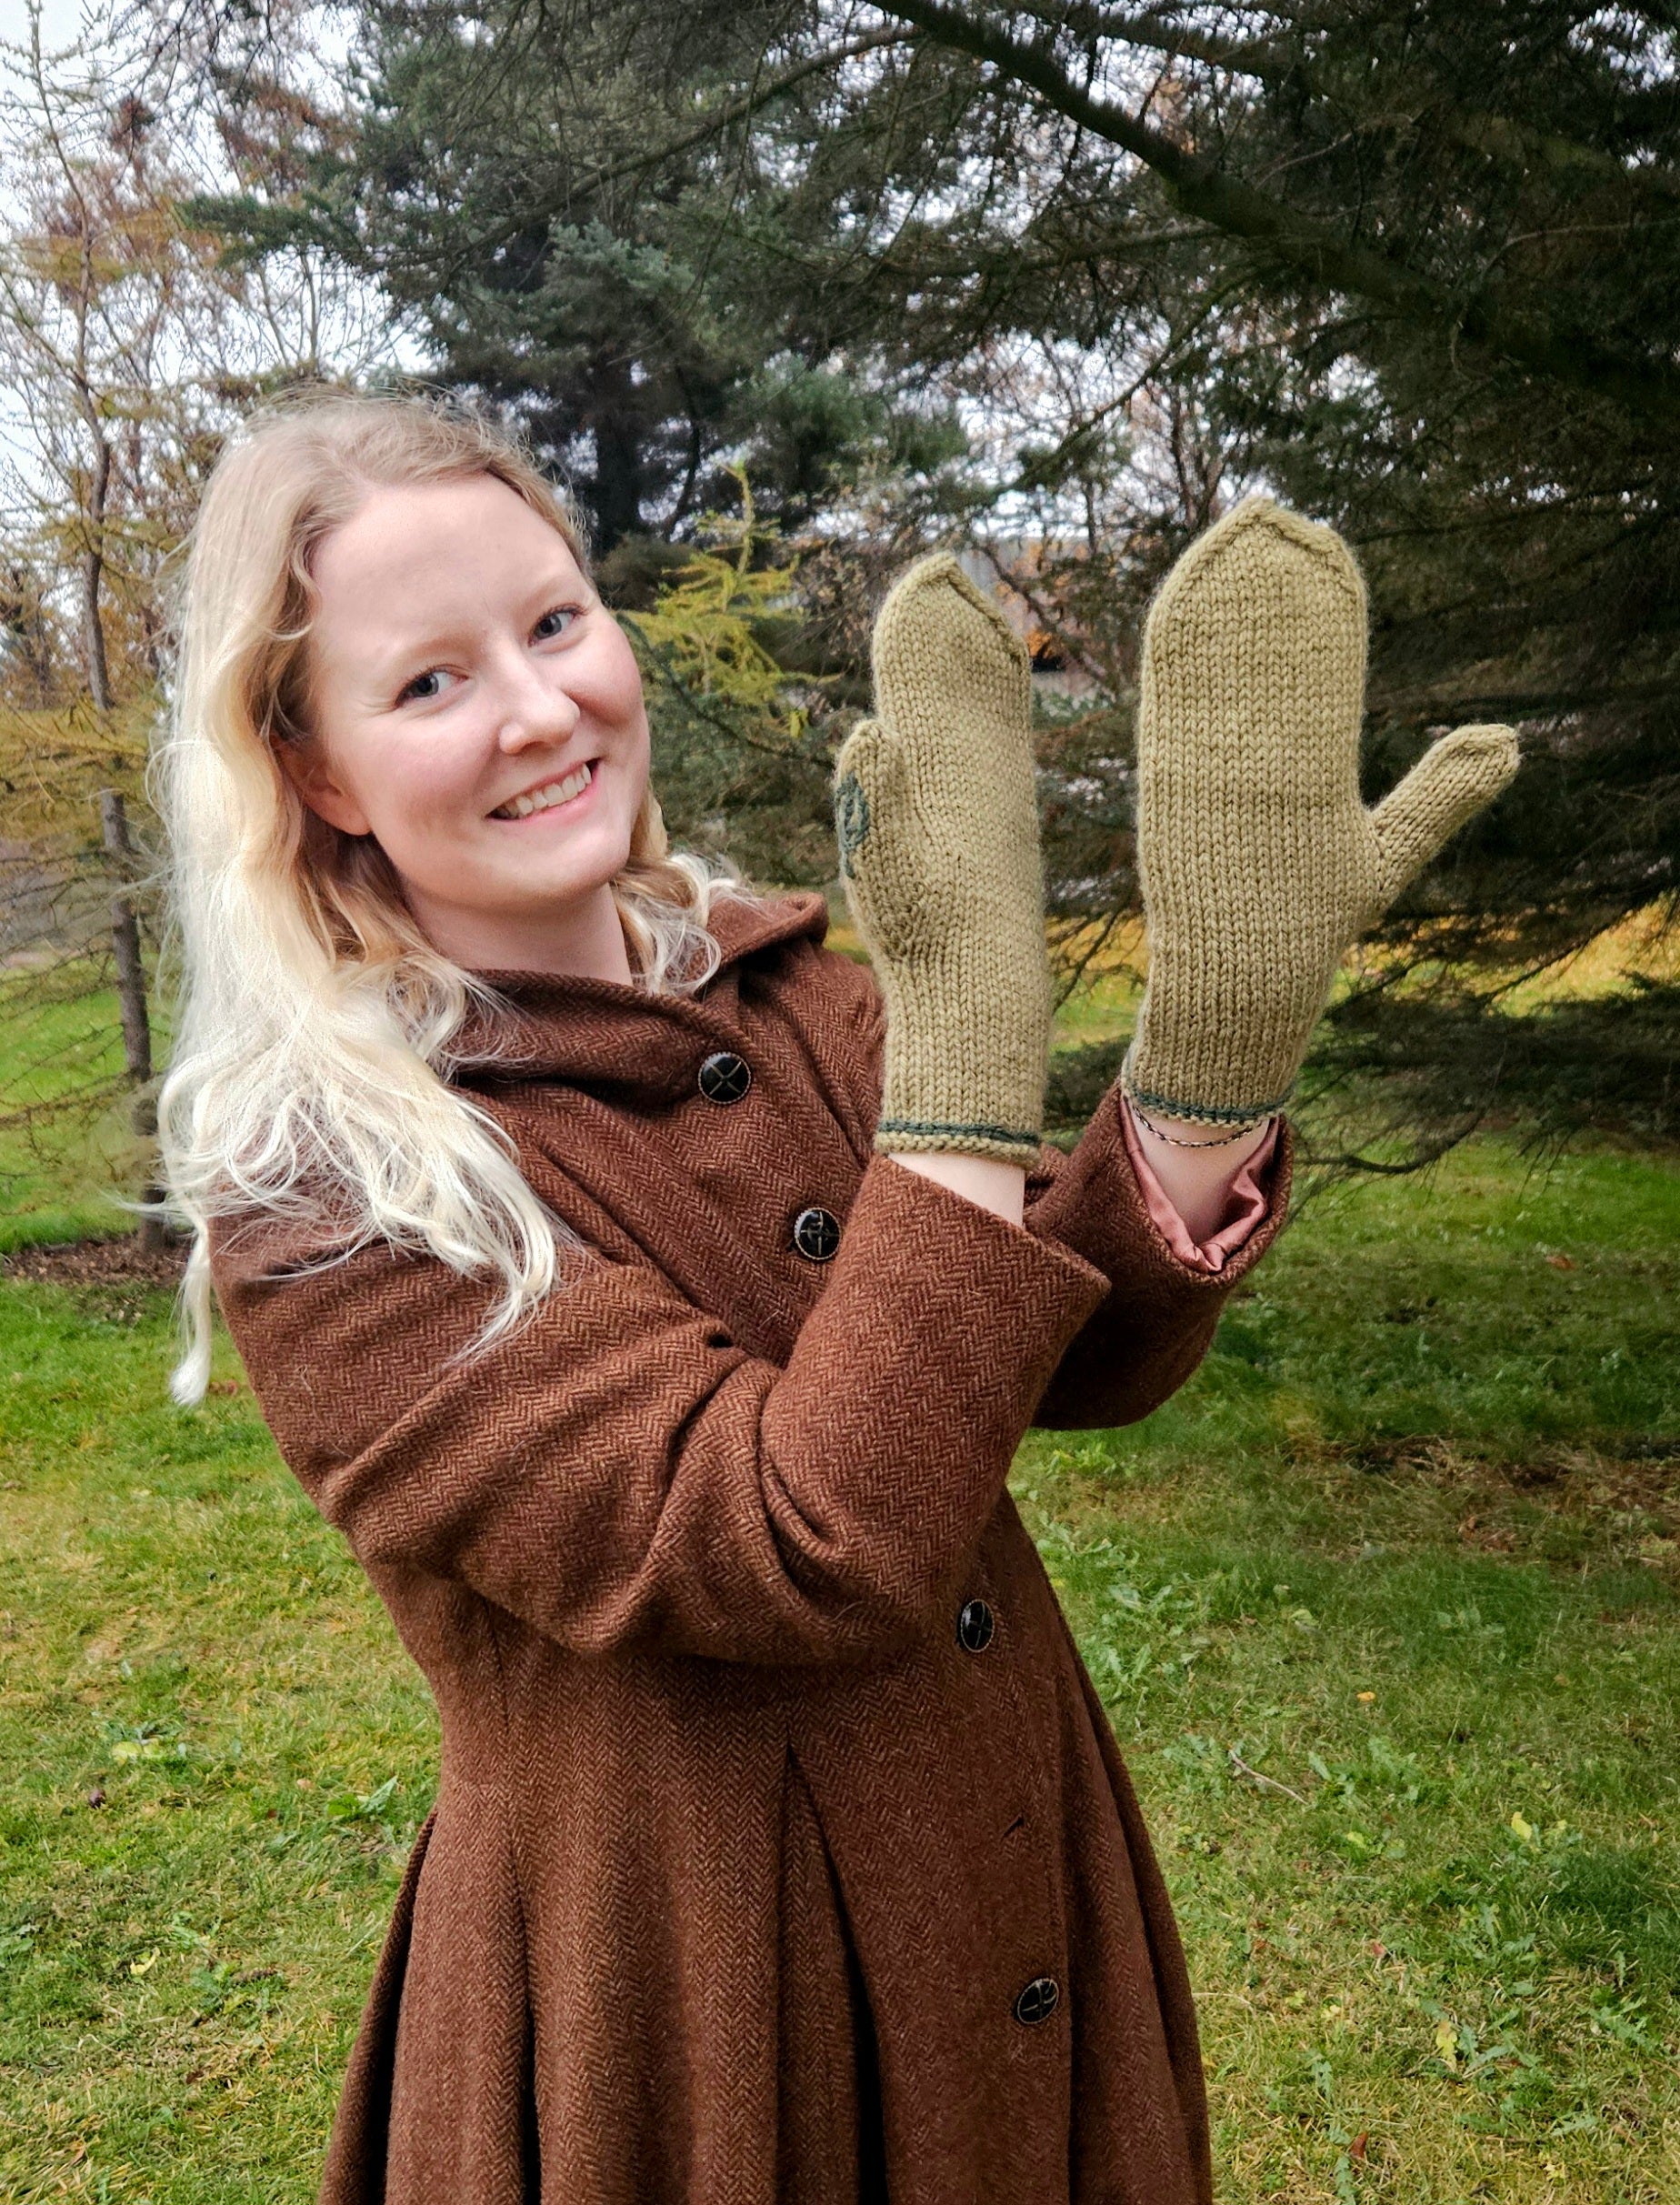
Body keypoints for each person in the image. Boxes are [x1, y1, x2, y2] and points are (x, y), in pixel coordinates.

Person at [156, 391, 1517, 2205]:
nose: (544, 707)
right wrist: (959, 1063)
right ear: (312, 768)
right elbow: (793, 1540)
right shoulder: (332, 1192)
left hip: (1005, 1862)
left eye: (558, 622)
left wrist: (1210, 1060)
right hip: (693, 2002)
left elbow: (1062, 1339)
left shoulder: (789, 997)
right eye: (430, 683)